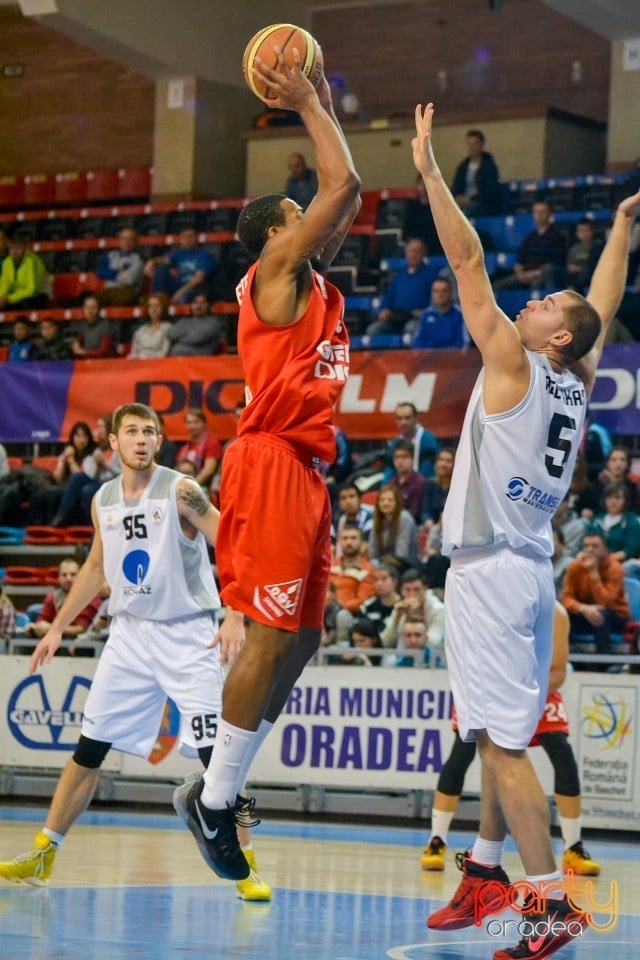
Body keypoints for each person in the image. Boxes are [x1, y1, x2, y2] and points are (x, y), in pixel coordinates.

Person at [412, 99, 639, 957]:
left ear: (549, 337)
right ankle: (483, 868)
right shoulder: (575, 378)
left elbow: (466, 258)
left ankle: (549, 905)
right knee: (485, 729)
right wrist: (619, 231)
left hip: (489, 571)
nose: (535, 298)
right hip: (522, 569)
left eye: (546, 301)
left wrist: (431, 173)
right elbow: (603, 310)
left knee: (505, 750)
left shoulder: (515, 361)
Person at [171, 47, 361, 882]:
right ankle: (214, 801)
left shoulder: (312, 277)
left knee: (308, 636)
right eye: (297, 211)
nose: (311, 218)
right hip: (272, 462)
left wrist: (319, 96)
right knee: (271, 632)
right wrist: (305, 102)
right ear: (275, 235)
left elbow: (342, 190)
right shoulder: (274, 273)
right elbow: (344, 187)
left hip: (308, 472)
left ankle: (220, 785)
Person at [0, 403, 269, 901]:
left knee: (219, 757)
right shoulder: (102, 497)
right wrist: (57, 627)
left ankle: (245, 862)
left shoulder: (182, 489)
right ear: (113, 443)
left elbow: (231, 541)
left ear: (160, 442)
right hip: (128, 636)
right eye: (131, 431)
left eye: (149, 431)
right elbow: (97, 567)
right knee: (89, 748)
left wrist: (236, 611)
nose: (141, 439)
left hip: (188, 634)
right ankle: (44, 851)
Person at [421, 605, 601, 878]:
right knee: (461, 754)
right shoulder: (489, 602)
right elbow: (460, 660)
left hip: (537, 691)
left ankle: (573, 847)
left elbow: (558, 672)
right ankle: (436, 840)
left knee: (563, 756)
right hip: (488, 689)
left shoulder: (556, 614)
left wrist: (523, 696)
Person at [561, 530, 629, 660]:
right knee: (562, 614)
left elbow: (606, 603)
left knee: (600, 615)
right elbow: (566, 598)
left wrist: (594, 573)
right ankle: (565, 661)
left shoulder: (615, 568)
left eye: (595, 546)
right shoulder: (575, 567)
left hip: (615, 615)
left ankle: (602, 664)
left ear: (605, 549)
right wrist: (583, 608)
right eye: (586, 546)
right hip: (585, 612)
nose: (590, 550)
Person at [367, 238, 441, 336]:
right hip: (396, 318)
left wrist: (427, 312)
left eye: (416, 251)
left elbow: (438, 299)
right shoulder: (398, 276)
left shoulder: (432, 274)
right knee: (373, 330)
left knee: (410, 328)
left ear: (424, 253)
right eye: (410, 251)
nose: (413, 255)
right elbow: (389, 297)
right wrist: (385, 310)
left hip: (417, 318)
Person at [493, 200, 568, 292]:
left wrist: (537, 273)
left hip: (543, 274)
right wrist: (521, 274)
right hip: (526, 275)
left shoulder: (558, 237)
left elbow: (558, 263)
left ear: (550, 214)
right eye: (536, 212)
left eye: (543, 212)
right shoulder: (529, 238)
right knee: (497, 286)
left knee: (546, 274)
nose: (539, 215)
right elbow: (519, 263)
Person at [23, 557, 102, 641]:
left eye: (73, 574)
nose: (68, 578)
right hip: (58, 638)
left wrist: (52, 629)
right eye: (64, 575)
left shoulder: (90, 596)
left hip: (82, 642)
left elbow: (81, 629)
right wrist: (35, 627)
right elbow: (42, 621)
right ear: (58, 577)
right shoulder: (52, 596)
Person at [145, 226, 216, 305]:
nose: (187, 239)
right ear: (180, 239)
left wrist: (179, 293)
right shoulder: (177, 253)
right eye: (184, 237)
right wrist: (152, 262)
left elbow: (198, 279)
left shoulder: (204, 255)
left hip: (194, 288)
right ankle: (157, 301)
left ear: (196, 238)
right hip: (178, 285)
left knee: (183, 299)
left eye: (190, 236)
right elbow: (163, 260)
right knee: (161, 271)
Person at [450, 128, 501, 218]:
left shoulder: (489, 166)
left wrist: (470, 199)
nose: (471, 147)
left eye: (475, 144)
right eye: (469, 144)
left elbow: (490, 191)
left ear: (482, 145)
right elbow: (455, 187)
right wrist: (457, 197)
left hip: (481, 204)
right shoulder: (463, 166)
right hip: (462, 203)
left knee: (465, 213)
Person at [368, 484, 419, 569]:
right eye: (382, 500)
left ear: (397, 502)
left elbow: (401, 554)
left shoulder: (404, 518)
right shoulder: (377, 519)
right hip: (385, 563)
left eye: (390, 500)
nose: (386, 503)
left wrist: (381, 563)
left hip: (407, 565)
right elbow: (373, 552)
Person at [384, 401, 439, 479]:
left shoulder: (428, 441)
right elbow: (390, 470)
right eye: (399, 418)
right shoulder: (394, 443)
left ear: (416, 418)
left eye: (407, 418)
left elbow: (428, 470)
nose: (403, 422)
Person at [588, 482, 640, 564]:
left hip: (620, 563)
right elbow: (587, 543)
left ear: (625, 500)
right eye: (609, 498)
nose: (613, 501)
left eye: (617, 497)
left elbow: (629, 551)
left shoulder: (632, 522)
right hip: (593, 560)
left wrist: (605, 561)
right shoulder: (597, 519)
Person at [411, 276, 467, 349]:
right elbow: (418, 344)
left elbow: (463, 345)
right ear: (432, 294)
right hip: (429, 359)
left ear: (451, 293)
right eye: (436, 291)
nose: (440, 295)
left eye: (444, 290)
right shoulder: (426, 315)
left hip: (453, 359)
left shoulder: (461, 314)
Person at [95, 227, 145, 306]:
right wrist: (117, 272)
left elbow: (129, 280)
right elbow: (100, 272)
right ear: (119, 240)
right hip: (108, 291)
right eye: (124, 239)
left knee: (119, 300)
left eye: (130, 239)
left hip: (126, 293)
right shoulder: (111, 255)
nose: (127, 242)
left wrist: (110, 273)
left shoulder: (138, 260)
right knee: (90, 300)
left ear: (135, 242)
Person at [0, 231, 50, 310]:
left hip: (38, 295)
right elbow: (4, 284)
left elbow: (32, 289)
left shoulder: (31, 260)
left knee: (24, 304)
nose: (14, 252)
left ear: (25, 247)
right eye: (11, 248)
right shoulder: (7, 262)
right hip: (17, 296)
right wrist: (1, 297)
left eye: (18, 248)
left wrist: (9, 298)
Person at [175, 408, 222, 491]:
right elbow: (177, 469)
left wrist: (191, 487)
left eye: (196, 422)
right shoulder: (185, 447)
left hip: (204, 489)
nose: (192, 426)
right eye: (189, 423)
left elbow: (209, 470)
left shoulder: (211, 442)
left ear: (204, 424)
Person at [387, 439, 427, 522]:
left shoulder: (421, 482)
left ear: (413, 459)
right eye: (397, 457)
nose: (400, 461)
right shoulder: (391, 482)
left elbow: (415, 513)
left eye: (404, 457)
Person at [565, 218, 603, 294]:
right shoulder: (574, 249)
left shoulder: (598, 246)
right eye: (581, 231)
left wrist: (580, 269)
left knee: (585, 273)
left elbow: (597, 266)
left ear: (592, 231)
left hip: (591, 275)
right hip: (575, 276)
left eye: (587, 230)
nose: (584, 234)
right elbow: (569, 266)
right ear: (577, 233)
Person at [71, 294, 115, 359]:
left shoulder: (105, 324)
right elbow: (77, 343)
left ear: (98, 309)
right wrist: (75, 346)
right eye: (87, 307)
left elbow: (103, 352)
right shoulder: (83, 325)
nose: (90, 311)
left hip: (103, 363)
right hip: (87, 361)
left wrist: (83, 352)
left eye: (93, 307)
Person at [128, 294, 171, 359]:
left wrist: (144, 357)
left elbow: (163, 353)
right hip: (139, 365)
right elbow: (133, 353)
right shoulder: (140, 331)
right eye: (150, 306)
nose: (153, 309)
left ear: (163, 307)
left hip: (158, 365)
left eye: (157, 305)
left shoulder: (168, 328)